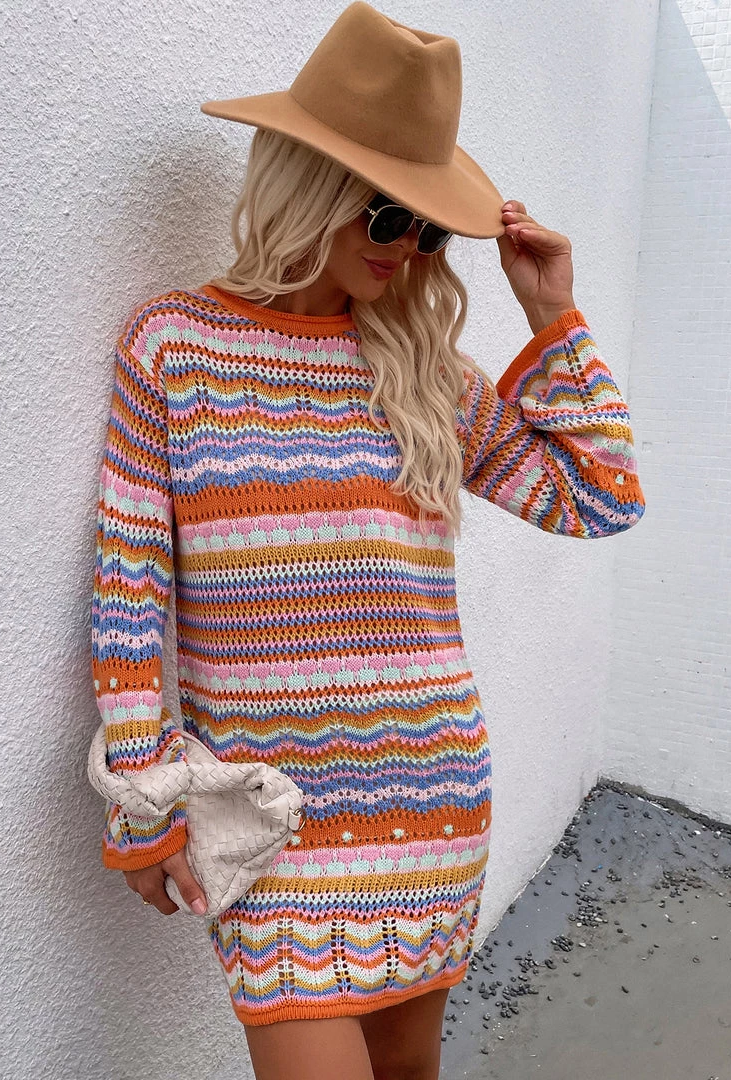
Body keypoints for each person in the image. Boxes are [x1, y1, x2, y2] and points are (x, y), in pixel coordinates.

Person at [89, 4, 646, 1078]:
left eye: (431, 230)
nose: (409, 251)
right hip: (276, 818)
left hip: (430, 797)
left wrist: (553, 315)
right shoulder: (175, 347)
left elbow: (598, 498)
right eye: (388, 217)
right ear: (307, 187)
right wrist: (142, 802)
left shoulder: (425, 374)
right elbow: (127, 589)